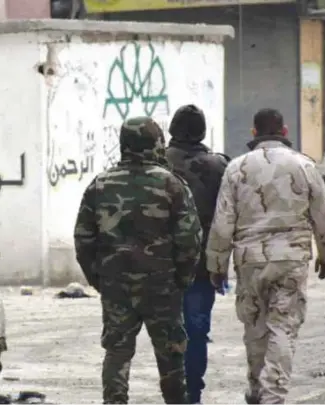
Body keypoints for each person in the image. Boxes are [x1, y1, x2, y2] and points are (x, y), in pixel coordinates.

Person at [206, 108, 325, 404]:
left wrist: (217, 264)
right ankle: (273, 395)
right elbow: (323, 215)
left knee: (254, 327)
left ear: (254, 133)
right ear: (285, 131)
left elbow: (223, 221)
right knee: (283, 326)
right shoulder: (304, 165)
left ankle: (256, 389)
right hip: (290, 260)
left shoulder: (236, 168)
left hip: (249, 261)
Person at [74, 116, 203, 404]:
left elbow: (83, 240)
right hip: (162, 286)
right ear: (156, 144)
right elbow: (190, 239)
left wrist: (99, 279)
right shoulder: (171, 184)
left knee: (117, 352)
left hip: (116, 286)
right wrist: (181, 278)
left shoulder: (100, 185)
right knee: (171, 353)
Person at [165, 105, 229, 404]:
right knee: (196, 329)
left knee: (167, 331)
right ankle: (192, 392)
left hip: (161, 264)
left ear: (172, 130)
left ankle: (174, 390)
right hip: (202, 266)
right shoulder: (219, 167)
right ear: (203, 131)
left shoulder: (156, 164)